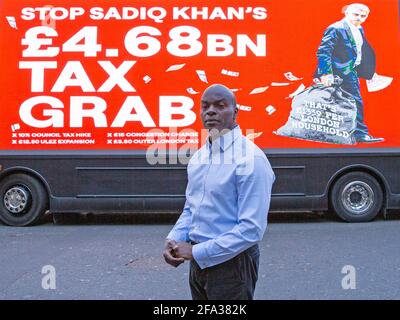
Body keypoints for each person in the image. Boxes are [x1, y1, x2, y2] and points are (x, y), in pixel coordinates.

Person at [163, 84, 275, 300]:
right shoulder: (199, 157)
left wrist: (196, 252)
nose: (210, 111)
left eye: (220, 105)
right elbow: (191, 208)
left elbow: (252, 229)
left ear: (235, 112)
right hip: (198, 264)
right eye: (205, 106)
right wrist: (175, 239)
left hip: (232, 265)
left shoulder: (251, 159)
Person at [314, 3, 384, 143]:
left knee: (341, 102)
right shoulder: (336, 28)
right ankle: (360, 134)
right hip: (340, 72)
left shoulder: (359, 28)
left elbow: (357, 51)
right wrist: (326, 73)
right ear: (346, 13)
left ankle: (350, 133)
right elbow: (324, 51)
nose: (359, 18)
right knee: (354, 101)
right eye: (356, 14)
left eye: (363, 16)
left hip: (350, 70)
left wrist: (367, 72)